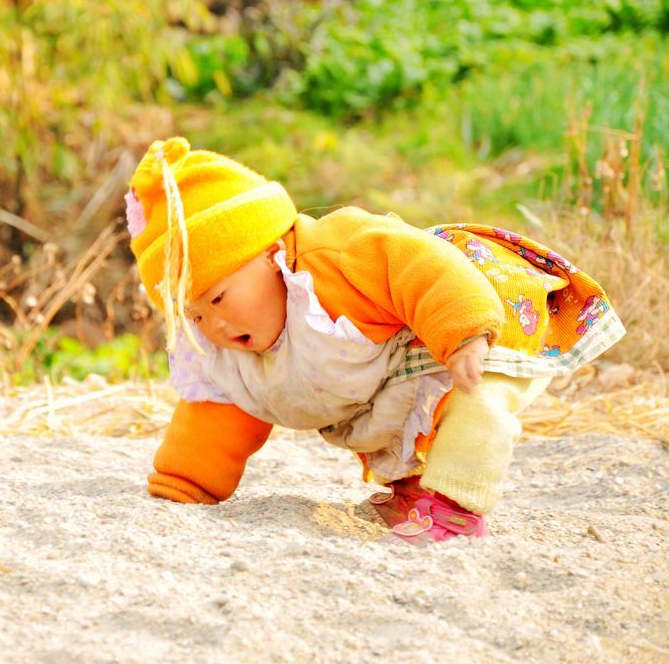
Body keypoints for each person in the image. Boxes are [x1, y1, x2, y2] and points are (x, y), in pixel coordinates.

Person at [126, 137, 625, 543]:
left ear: (270, 253)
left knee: (473, 402)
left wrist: (464, 329)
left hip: (474, 309)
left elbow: (420, 264)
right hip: (391, 354)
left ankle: (455, 507)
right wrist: (185, 482)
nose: (211, 326)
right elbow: (222, 409)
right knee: (395, 420)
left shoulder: (340, 254)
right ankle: (414, 490)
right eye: (192, 313)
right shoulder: (232, 346)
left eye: (216, 299)